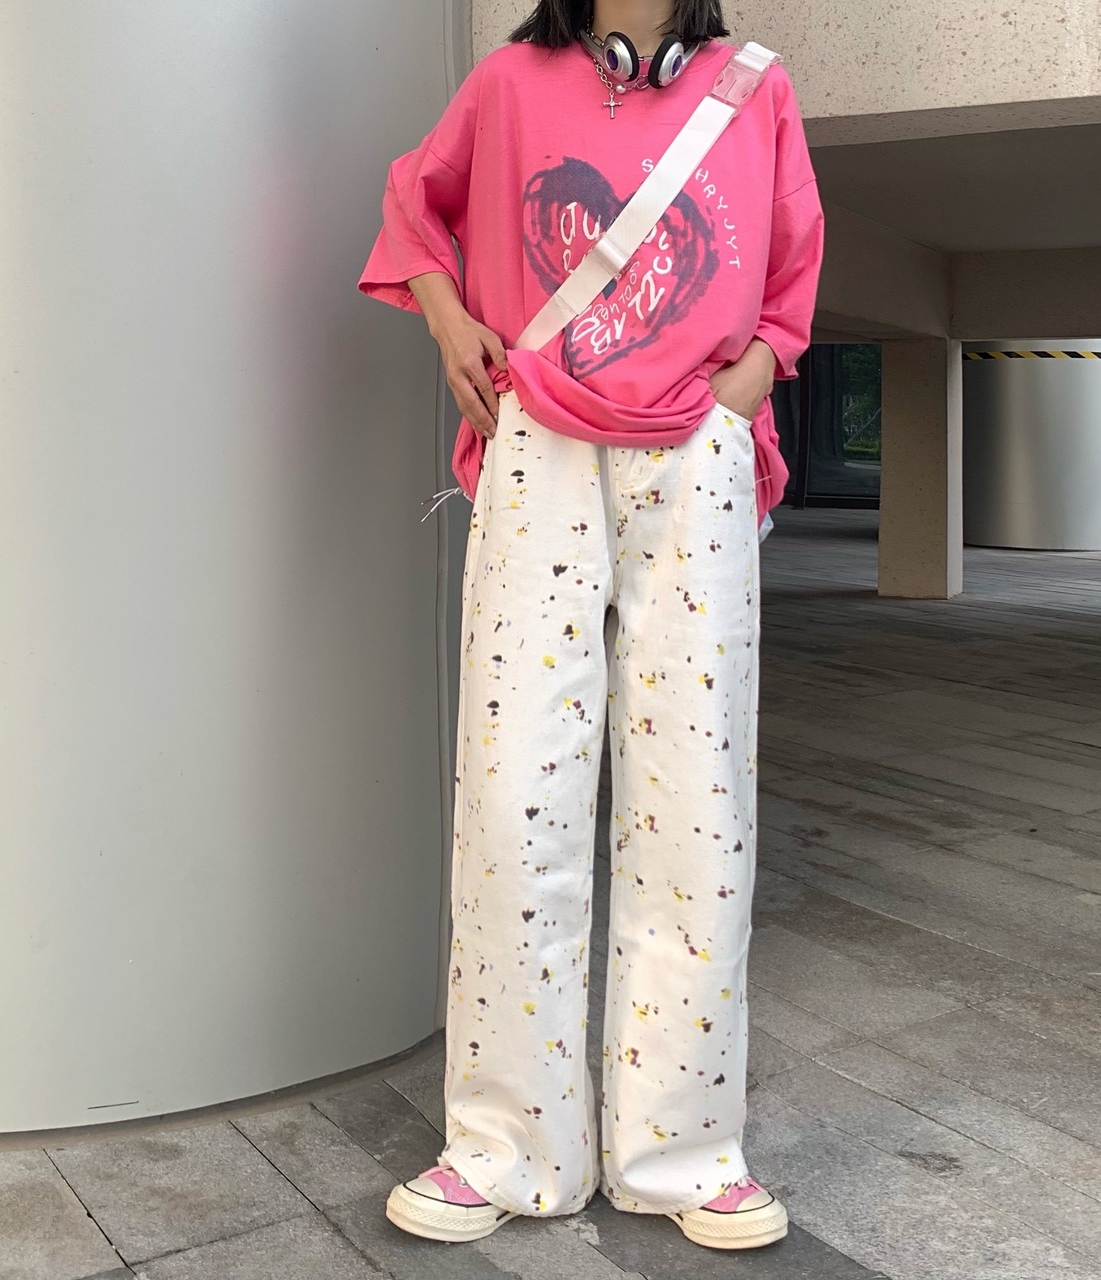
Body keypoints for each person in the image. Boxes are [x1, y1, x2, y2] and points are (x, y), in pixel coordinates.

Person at [357, 0, 823, 1252]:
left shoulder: (753, 87)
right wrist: (449, 323)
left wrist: (747, 385)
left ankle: (684, 1152)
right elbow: (413, 203)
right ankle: (504, 1145)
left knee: (695, 791)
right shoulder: (511, 80)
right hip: (542, 442)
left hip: (694, 449)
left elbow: (791, 269)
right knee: (516, 788)